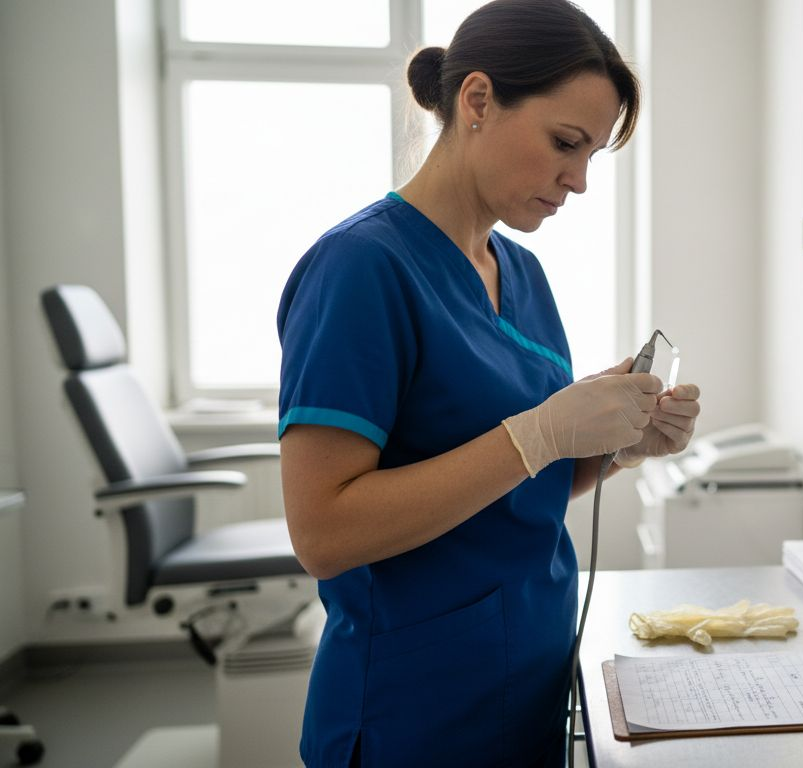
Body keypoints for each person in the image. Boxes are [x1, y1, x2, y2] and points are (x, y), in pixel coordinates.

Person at [275, 1, 701, 765]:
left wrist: (616, 447)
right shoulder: (361, 270)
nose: (577, 181)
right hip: (412, 706)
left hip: (529, 677)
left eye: (592, 157)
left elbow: (521, 484)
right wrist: (539, 431)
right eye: (565, 144)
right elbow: (324, 534)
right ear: (477, 100)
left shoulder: (523, 275)